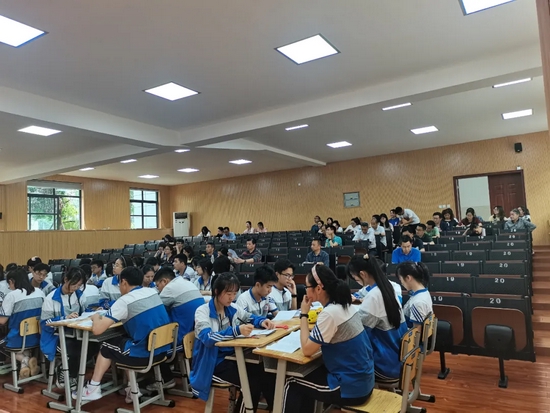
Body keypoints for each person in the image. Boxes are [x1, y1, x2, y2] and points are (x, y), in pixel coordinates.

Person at [283, 264, 374, 413]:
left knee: (291, 380)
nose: (305, 290)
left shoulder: (329, 314)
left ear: (318, 288)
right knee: (309, 373)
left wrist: (304, 314)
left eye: (307, 286)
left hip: (351, 389)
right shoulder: (345, 305)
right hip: (364, 382)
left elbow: (306, 350)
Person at [75, 267, 172, 403]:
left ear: (124, 282)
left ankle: (93, 388)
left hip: (144, 355)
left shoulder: (124, 301)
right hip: (162, 351)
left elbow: (97, 330)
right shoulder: (152, 292)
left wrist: (96, 317)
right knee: (124, 342)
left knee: (106, 346)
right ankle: (133, 389)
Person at [190, 273, 276, 409]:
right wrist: (236, 331)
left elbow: (249, 317)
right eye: (228, 293)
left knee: (266, 374)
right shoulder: (202, 311)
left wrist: (262, 321)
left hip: (231, 357)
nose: (232, 297)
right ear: (217, 291)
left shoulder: (232, 308)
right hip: (211, 364)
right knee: (251, 384)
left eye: (235, 293)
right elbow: (207, 338)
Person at [346, 256, 408, 383]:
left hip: (386, 364)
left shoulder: (373, 296)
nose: (356, 281)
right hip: (398, 357)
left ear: (363, 274)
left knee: (342, 359)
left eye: (356, 278)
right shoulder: (388, 287)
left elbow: (358, 332)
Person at [150, 267, 204, 391]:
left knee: (153, 346)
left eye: (158, 286)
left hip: (181, 339)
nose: (158, 289)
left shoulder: (169, 289)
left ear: (164, 281)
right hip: (194, 335)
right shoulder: (187, 283)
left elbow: (156, 311)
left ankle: (167, 379)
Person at [41, 267, 88, 389]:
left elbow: (84, 313)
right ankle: (67, 373)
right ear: (66, 279)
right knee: (74, 349)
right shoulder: (51, 298)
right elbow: (45, 323)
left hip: (75, 334)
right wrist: (64, 318)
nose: (76, 288)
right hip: (55, 337)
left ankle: (71, 373)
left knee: (92, 346)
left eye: (79, 285)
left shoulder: (79, 295)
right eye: (74, 284)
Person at [0, 268, 44, 380]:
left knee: (3, 342)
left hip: (18, 338)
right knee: (23, 338)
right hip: (38, 336)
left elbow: (2, 321)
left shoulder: (12, 295)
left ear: (12, 281)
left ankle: (25, 360)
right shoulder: (39, 292)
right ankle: (25, 367)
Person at [396, 262, 433, 328]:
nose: (401, 283)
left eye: (401, 279)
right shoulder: (423, 291)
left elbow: (416, 332)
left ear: (408, 278)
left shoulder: (418, 302)